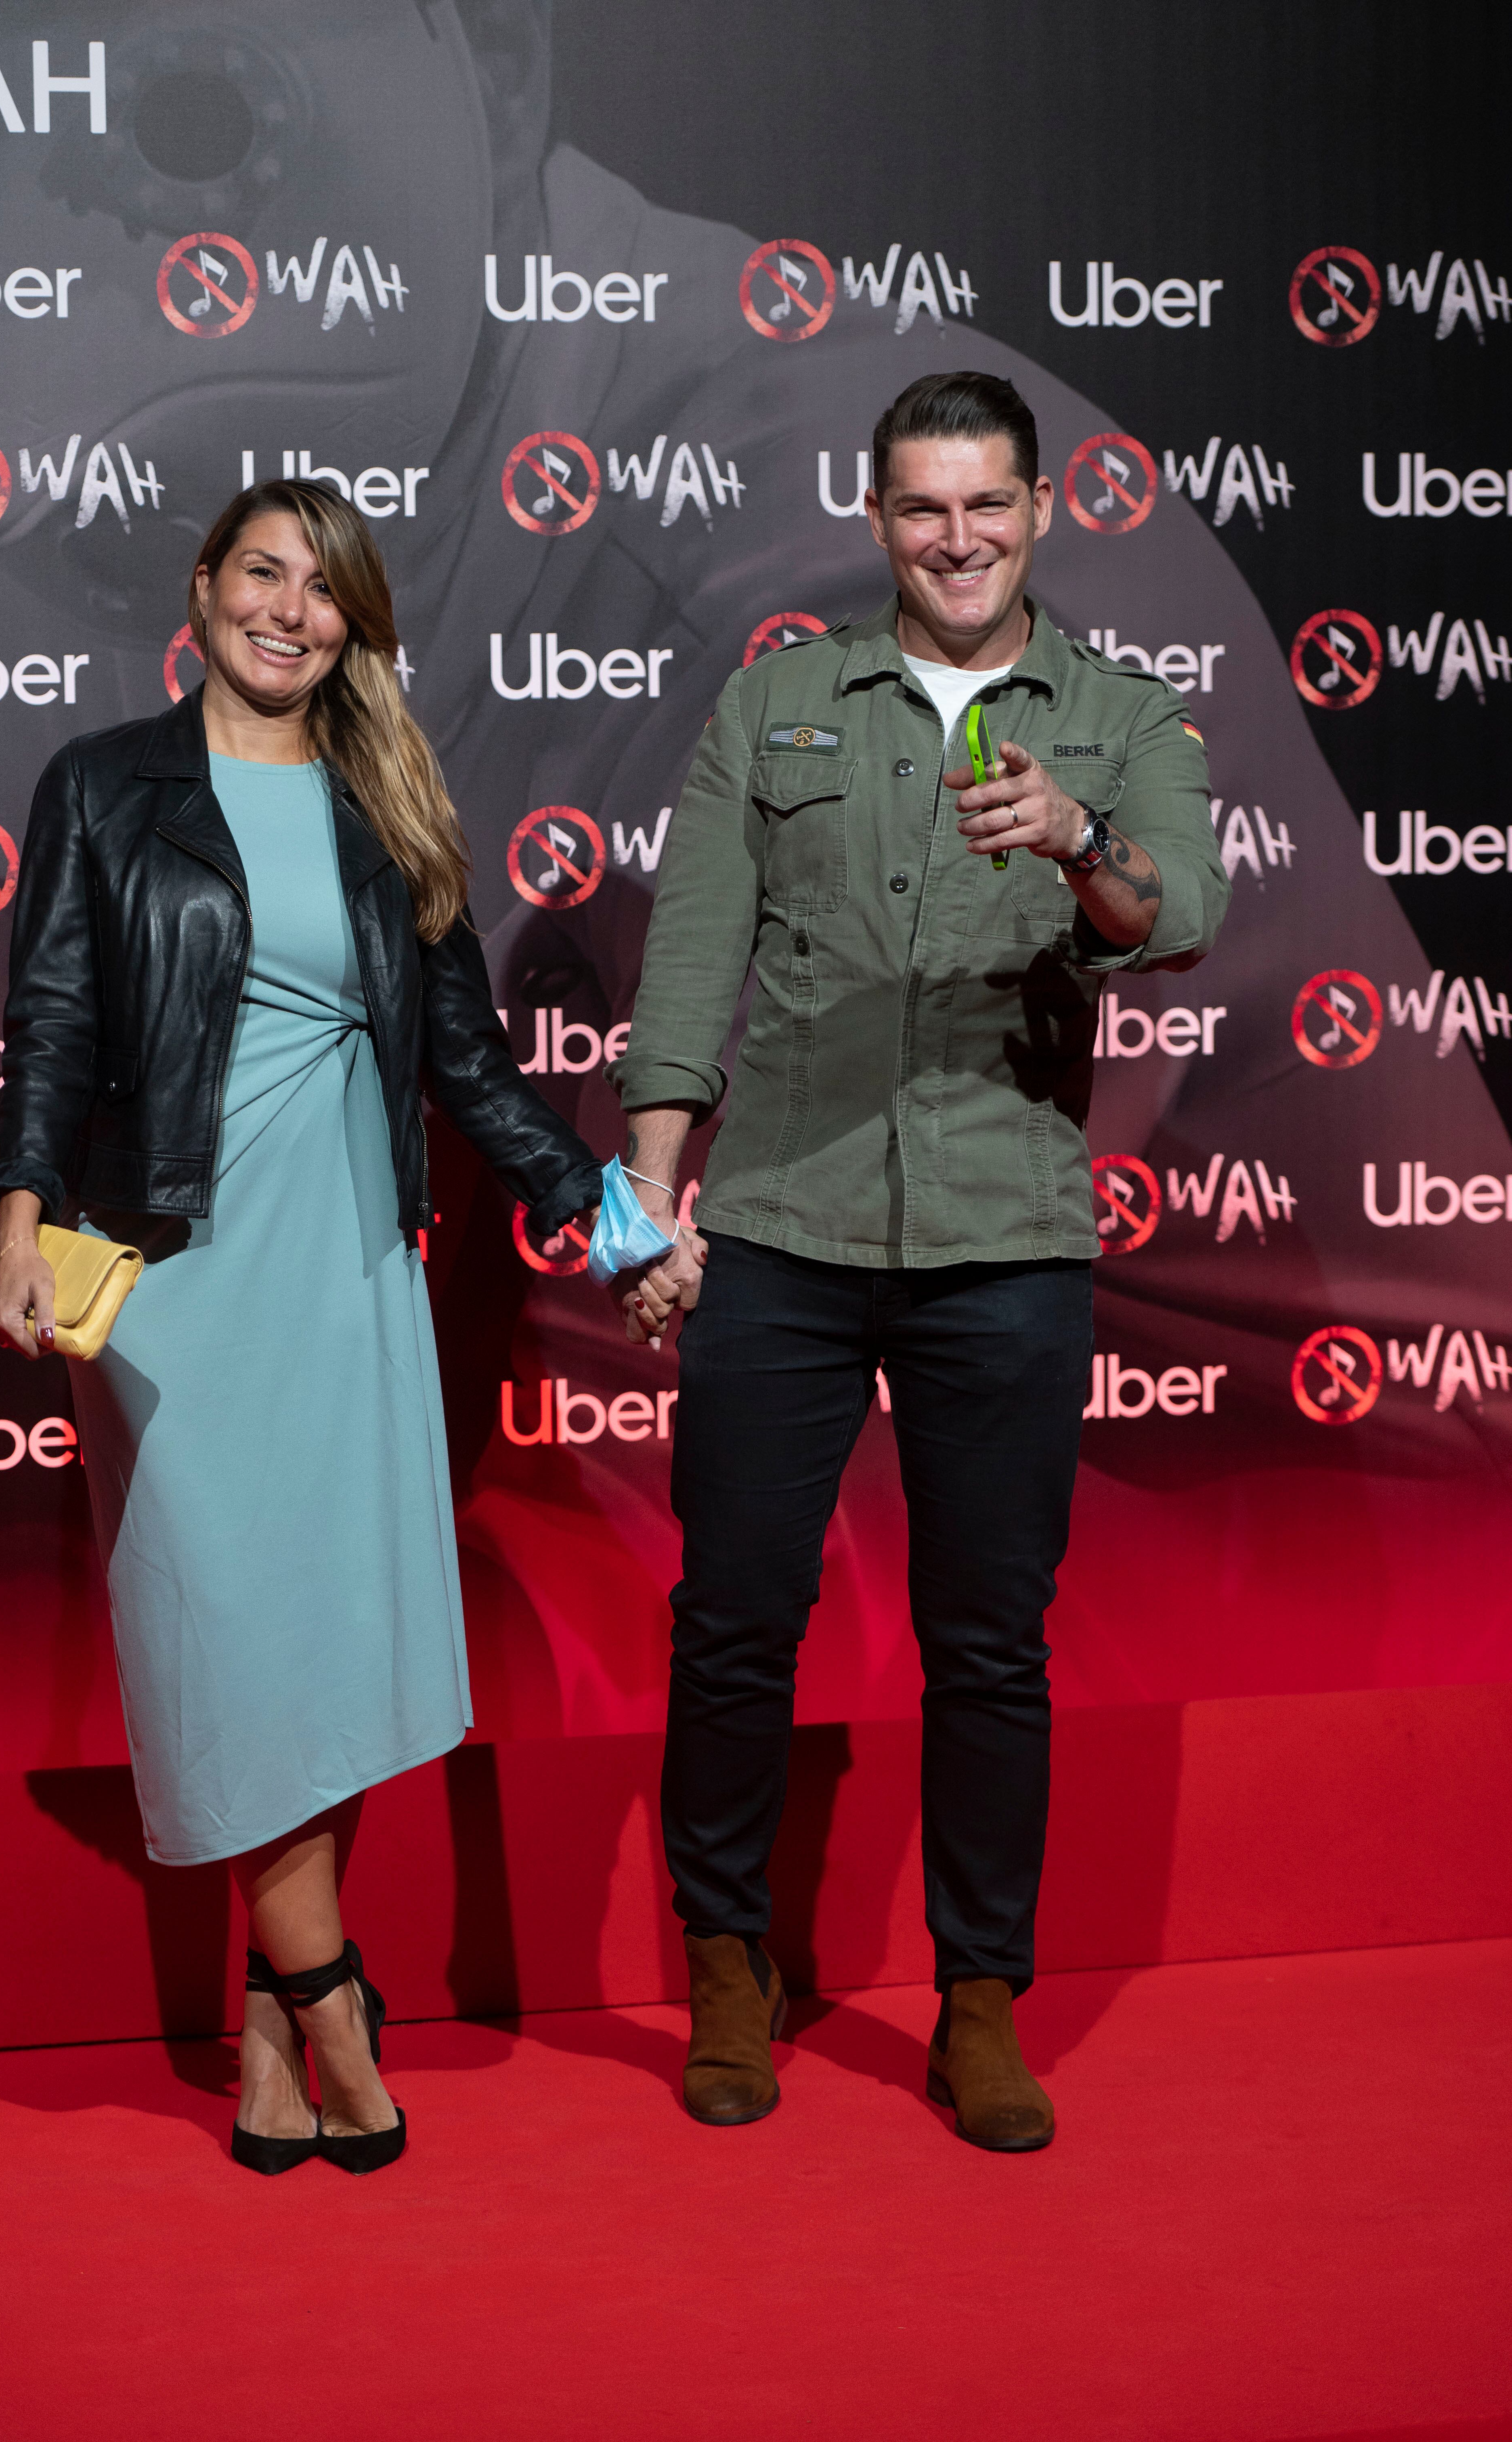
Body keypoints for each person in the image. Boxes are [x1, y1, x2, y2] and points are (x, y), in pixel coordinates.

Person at [608, 371, 1230, 2148]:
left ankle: (979, 2001)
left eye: (986, 506)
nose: (955, 540)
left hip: (1005, 1239)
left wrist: (1077, 840)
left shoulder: (1120, 720)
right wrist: (657, 1195)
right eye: (920, 509)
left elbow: (1175, 918)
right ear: (876, 520)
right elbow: (689, 966)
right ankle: (729, 1967)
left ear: (1040, 511)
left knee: (990, 1642)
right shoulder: (777, 702)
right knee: (732, 1624)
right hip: (783, 1229)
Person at [0, 480, 601, 2175]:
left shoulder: (382, 799)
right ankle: (330, 1990)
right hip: (178, 1272)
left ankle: (267, 2023)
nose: (290, 611)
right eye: (264, 572)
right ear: (202, 587)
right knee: (229, 1629)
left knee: (324, 1638)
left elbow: (466, 1054)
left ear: (355, 624)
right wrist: (21, 1220)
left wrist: (595, 1207)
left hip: (343, 1269)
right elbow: (47, 1021)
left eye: (325, 590)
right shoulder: (106, 785)